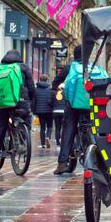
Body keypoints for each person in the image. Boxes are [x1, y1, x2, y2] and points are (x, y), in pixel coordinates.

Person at [0, 50, 35, 171]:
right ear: (19, 58)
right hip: (21, 102)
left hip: (3, 103)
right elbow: (32, 88)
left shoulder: (0, 68)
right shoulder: (24, 68)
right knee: (26, 118)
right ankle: (23, 141)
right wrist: (29, 100)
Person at [51, 45, 87, 175]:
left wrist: (55, 87)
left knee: (68, 130)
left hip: (72, 106)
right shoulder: (94, 67)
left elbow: (56, 82)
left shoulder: (69, 68)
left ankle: (62, 163)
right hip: (90, 106)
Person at [33, 74, 55, 148]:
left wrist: (34, 111)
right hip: (49, 111)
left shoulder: (36, 90)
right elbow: (53, 101)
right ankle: (48, 137)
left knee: (42, 127)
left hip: (40, 111)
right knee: (49, 126)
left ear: (40, 80)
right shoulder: (51, 90)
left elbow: (33, 102)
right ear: (47, 80)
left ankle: (42, 143)